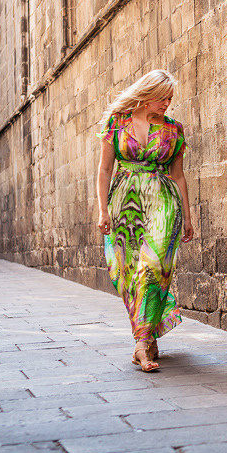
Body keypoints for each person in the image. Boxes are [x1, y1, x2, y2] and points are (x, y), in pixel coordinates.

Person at [95, 70, 194, 372]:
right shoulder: (116, 123)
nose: (167, 103)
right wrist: (102, 210)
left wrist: (188, 216)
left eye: (170, 98)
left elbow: (178, 175)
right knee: (128, 273)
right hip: (124, 204)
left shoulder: (174, 130)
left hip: (163, 203)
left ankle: (140, 346)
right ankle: (148, 334)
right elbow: (103, 170)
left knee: (154, 266)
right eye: (162, 97)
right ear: (147, 93)